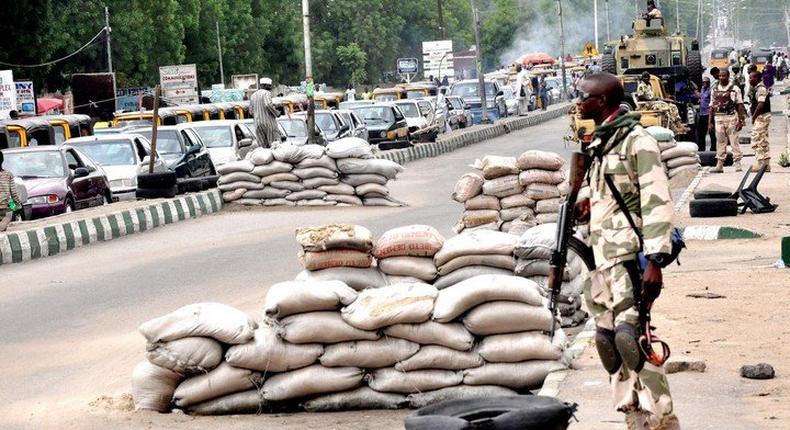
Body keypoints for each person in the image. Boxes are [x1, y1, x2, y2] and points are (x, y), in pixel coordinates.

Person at [576, 72, 680, 430]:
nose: (578, 102)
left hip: (627, 257)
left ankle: (664, 417)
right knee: (607, 341)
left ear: (602, 101)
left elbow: (656, 203)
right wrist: (584, 204)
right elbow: (601, 191)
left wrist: (655, 261)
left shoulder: (638, 141)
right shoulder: (600, 143)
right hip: (599, 257)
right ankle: (633, 415)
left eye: (583, 96)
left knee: (631, 339)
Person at [709, 69, 745, 173]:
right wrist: (710, 122)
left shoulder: (735, 88)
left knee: (734, 141)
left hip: (731, 118)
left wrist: (741, 120)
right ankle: (720, 165)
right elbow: (711, 106)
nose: (721, 78)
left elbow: (740, 105)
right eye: (720, 76)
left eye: (723, 76)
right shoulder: (714, 89)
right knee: (720, 142)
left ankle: (737, 163)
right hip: (718, 118)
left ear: (728, 76)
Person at [748, 70, 772, 172]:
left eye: (752, 78)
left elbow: (761, 105)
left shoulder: (761, 89)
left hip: (762, 117)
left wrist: (754, 116)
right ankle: (765, 165)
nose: (749, 80)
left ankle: (761, 164)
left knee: (757, 139)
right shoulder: (756, 88)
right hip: (761, 117)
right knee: (763, 140)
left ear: (757, 78)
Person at [249, 77, 281, 148]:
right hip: (268, 123)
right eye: (269, 86)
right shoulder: (266, 93)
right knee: (274, 145)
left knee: (262, 147)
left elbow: (251, 112)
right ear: (265, 86)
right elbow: (268, 104)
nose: (270, 87)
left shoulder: (253, 95)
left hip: (257, 124)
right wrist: (276, 113)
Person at [0, 152, 22, 232]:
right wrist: (18, 205)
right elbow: (13, 193)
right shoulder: (8, 174)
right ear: (2, 160)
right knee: (12, 209)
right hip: (6, 205)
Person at [695, 77, 716, 151]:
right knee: (701, 133)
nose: (704, 83)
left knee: (711, 132)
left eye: (706, 82)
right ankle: (701, 149)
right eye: (703, 82)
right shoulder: (702, 90)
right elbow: (700, 97)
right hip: (702, 114)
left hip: (708, 114)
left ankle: (713, 148)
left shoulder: (710, 91)